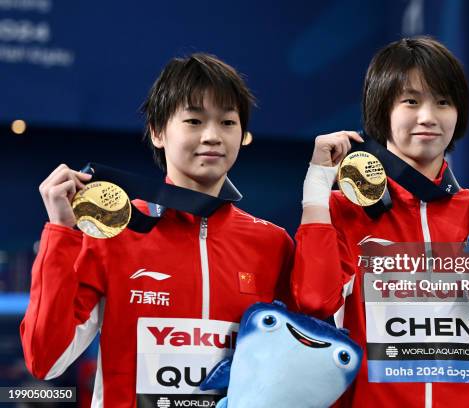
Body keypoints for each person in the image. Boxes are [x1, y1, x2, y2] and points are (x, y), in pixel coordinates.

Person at [292, 37, 469, 407]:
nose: (428, 117)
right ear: (382, 109)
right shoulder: (341, 210)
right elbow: (313, 302)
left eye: (443, 102)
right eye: (411, 101)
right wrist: (316, 190)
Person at [20, 53, 294, 407]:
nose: (212, 136)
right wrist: (62, 232)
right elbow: (46, 360)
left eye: (227, 122)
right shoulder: (112, 232)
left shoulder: (271, 244)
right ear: (158, 131)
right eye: (194, 120)